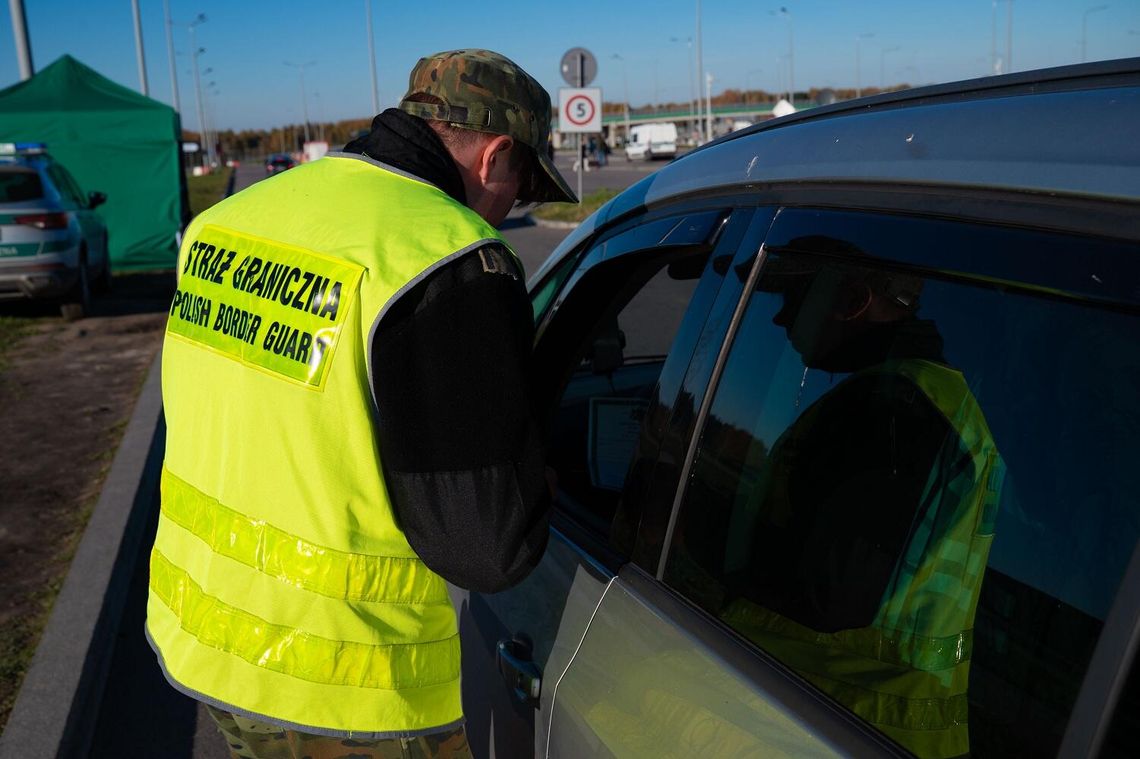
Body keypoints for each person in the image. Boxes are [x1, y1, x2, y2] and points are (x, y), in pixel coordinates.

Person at [147, 49, 576, 759]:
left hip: (214, 650)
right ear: (498, 155)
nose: (509, 209)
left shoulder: (227, 221)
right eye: (523, 188)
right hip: (355, 693)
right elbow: (485, 548)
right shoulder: (447, 257)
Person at [709, 243, 1004, 758]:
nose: (779, 318)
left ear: (852, 298)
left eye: (795, 298)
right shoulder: (934, 398)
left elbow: (830, 594)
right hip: (890, 727)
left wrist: (698, 528)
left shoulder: (890, 412)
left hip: (832, 715)